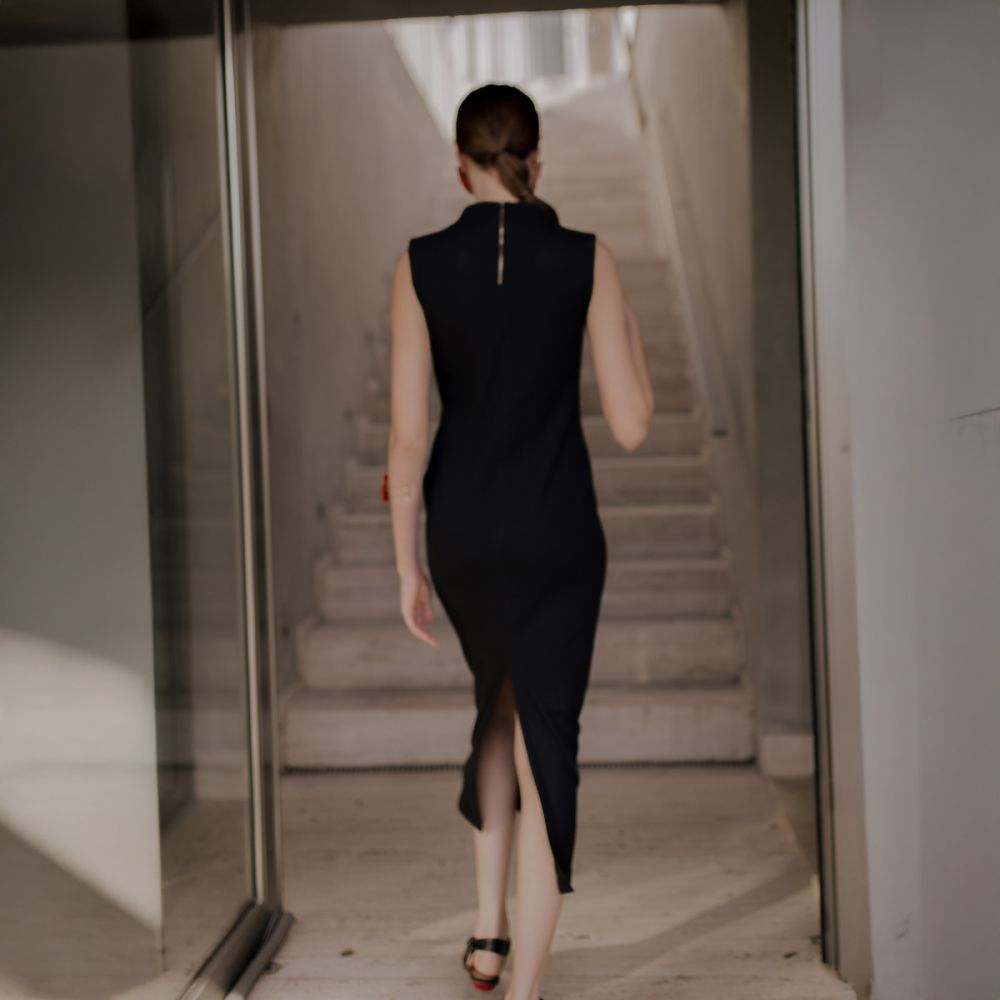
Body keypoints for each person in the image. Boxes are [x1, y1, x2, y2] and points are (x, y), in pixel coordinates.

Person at [386, 82, 654, 1000]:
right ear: (537, 158)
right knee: (546, 742)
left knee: (497, 707)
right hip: (556, 532)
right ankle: (527, 986)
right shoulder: (588, 257)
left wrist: (406, 563)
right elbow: (631, 425)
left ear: (461, 166)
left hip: (463, 534)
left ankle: (489, 933)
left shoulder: (419, 264)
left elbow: (407, 438)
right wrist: (630, 332)